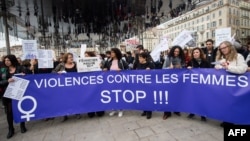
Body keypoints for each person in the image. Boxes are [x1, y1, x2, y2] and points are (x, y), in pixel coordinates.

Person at [215, 41, 248, 127]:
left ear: (230, 47)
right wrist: (217, 67)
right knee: (225, 102)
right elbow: (217, 70)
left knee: (234, 103)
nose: (223, 50)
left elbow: (243, 69)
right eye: (221, 48)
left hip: (236, 85)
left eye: (225, 47)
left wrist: (228, 67)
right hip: (224, 85)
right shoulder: (220, 58)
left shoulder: (238, 56)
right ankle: (226, 120)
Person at [0, 54, 30, 139]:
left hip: (19, 92)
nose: (6, 62)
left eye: (8, 60)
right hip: (7, 94)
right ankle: (11, 129)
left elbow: (29, 74)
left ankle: (22, 125)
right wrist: (7, 81)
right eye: (5, 60)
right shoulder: (2, 70)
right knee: (9, 112)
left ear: (12, 60)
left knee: (21, 109)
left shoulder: (20, 68)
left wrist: (25, 74)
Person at [52, 52, 81, 121]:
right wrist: (57, 73)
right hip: (64, 87)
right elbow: (53, 72)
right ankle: (64, 114)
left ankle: (76, 112)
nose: (71, 58)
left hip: (75, 86)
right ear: (66, 59)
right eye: (70, 57)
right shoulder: (61, 65)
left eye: (72, 57)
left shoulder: (76, 64)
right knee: (65, 100)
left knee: (75, 99)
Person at [103, 48, 128, 117]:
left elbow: (128, 69)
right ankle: (113, 109)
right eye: (111, 52)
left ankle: (120, 109)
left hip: (119, 81)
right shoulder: (108, 61)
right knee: (112, 95)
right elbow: (105, 68)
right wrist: (105, 69)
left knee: (119, 95)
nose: (111, 54)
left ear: (116, 53)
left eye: (113, 52)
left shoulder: (122, 61)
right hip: (111, 81)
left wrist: (121, 70)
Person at [186, 47, 210, 121]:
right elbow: (186, 71)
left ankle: (203, 114)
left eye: (197, 52)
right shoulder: (191, 62)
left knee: (202, 99)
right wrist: (188, 68)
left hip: (203, 84)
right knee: (193, 98)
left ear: (200, 53)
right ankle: (192, 112)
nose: (195, 54)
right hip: (194, 85)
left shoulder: (205, 62)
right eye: (194, 53)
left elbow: (210, 72)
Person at [162, 45, 185, 120]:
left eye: (178, 51)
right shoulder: (168, 58)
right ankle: (167, 113)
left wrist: (180, 67)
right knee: (168, 96)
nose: (176, 53)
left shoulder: (181, 58)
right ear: (172, 51)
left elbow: (184, 68)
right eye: (175, 51)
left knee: (176, 95)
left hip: (178, 80)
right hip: (169, 80)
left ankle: (176, 110)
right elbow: (163, 69)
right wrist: (169, 68)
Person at [84, 51, 105, 118]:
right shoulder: (82, 63)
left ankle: (99, 111)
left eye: (87, 56)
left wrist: (100, 67)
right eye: (85, 56)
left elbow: (99, 72)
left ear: (91, 56)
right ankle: (91, 111)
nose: (85, 57)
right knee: (90, 97)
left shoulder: (97, 62)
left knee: (97, 96)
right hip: (88, 84)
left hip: (96, 83)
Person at [136, 52, 155, 119]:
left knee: (148, 98)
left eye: (140, 58)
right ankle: (144, 110)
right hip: (141, 84)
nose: (139, 59)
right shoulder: (138, 64)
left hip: (148, 84)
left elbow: (154, 73)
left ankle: (149, 112)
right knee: (142, 97)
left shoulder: (150, 64)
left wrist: (150, 70)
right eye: (139, 57)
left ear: (145, 58)